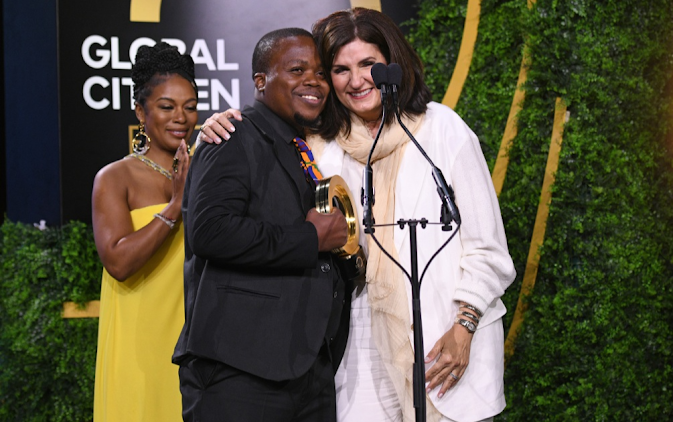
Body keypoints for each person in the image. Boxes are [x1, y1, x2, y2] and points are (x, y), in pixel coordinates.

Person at [199, 9, 516, 422]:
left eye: (368, 64)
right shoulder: (317, 147)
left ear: (392, 64)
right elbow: (257, 141)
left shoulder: (442, 130)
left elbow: (488, 249)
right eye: (340, 69)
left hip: (446, 337)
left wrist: (464, 327)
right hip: (358, 347)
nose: (356, 79)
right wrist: (220, 122)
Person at [172, 28, 350, 422]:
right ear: (260, 81)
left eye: (320, 73)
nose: (313, 81)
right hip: (241, 369)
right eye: (296, 69)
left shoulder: (298, 145)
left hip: (306, 369)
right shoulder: (234, 134)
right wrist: (310, 238)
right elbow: (210, 231)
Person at [91, 41, 196, 421]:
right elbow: (118, 261)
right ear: (140, 111)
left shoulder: (208, 169)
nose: (180, 117)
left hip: (198, 343)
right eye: (166, 107)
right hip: (141, 339)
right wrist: (175, 206)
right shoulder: (115, 177)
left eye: (189, 107)